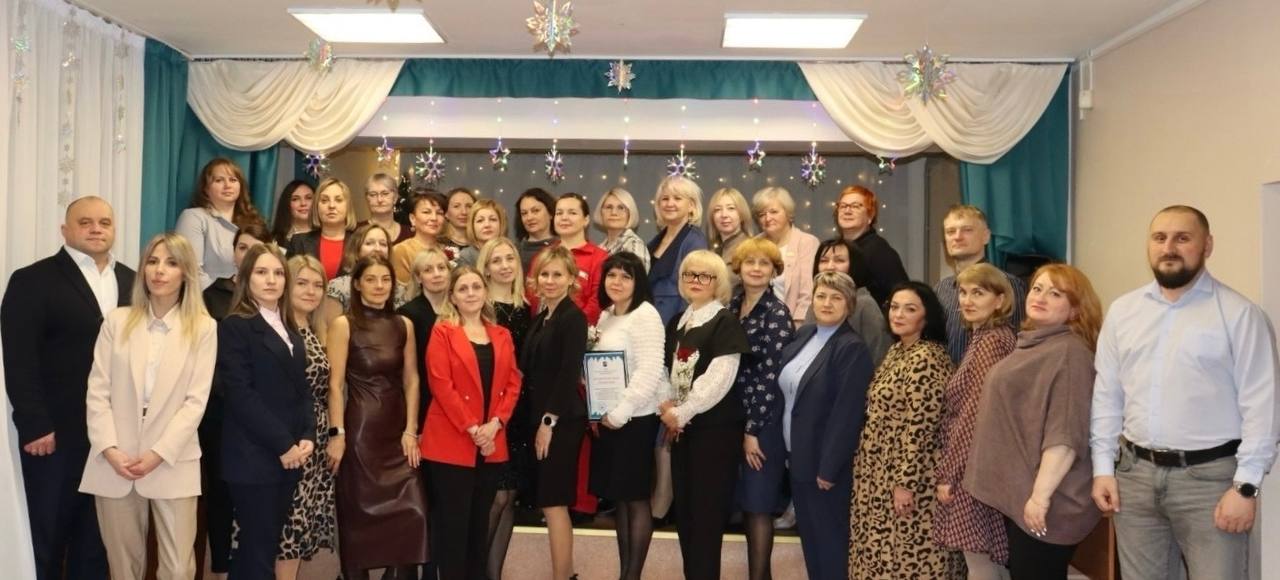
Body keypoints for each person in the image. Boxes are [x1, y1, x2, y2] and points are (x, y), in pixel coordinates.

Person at [1090, 206, 1279, 580]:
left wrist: (1246, 487)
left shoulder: (1240, 315)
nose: (1169, 248)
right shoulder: (1123, 312)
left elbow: (1263, 406)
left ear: (1207, 246)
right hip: (1135, 477)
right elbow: (1107, 395)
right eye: (1159, 238)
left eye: (1182, 238)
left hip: (1210, 483)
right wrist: (1102, 469)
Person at [1, 196, 132, 580]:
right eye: (85, 222)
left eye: (104, 222)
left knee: (96, 544)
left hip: (114, 437)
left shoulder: (133, 281)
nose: (96, 229)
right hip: (55, 435)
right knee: (47, 537)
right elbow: (19, 357)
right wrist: (34, 424)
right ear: (65, 230)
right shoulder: (32, 280)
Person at [80, 233, 215, 580]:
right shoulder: (117, 321)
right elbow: (98, 391)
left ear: (186, 273)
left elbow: (195, 402)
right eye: (152, 262)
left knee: (178, 568)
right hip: (115, 457)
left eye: (171, 263)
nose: (159, 270)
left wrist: (158, 452)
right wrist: (109, 448)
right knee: (122, 567)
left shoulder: (204, 328)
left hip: (173, 457)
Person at [966, 264, 1103, 580]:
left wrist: (1040, 499)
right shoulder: (1033, 344)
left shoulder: (1070, 353)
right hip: (1026, 496)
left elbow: (1065, 436)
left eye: (1055, 294)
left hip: (1050, 501)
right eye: (1038, 288)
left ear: (1075, 309)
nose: (1040, 297)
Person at [325, 254, 429, 579]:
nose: (379, 286)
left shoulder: (404, 325)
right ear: (357, 284)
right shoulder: (344, 325)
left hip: (397, 435)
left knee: (414, 514)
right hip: (360, 434)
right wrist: (337, 433)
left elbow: (412, 380)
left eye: (385, 279)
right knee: (357, 522)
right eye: (371, 279)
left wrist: (411, 430)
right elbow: (334, 384)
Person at [850, 282, 963, 579]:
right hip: (879, 473)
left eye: (909, 309)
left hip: (910, 478)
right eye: (895, 307)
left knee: (907, 559)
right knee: (879, 555)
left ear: (927, 317)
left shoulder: (927, 357)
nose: (898, 314)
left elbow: (920, 428)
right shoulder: (898, 350)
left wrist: (905, 484)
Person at [217, 244, 315, 580]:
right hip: (253, 457)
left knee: (260, 549)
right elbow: (241, 395)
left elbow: (302, 389)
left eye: (277, 273)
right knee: (257, 553)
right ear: (246, 278)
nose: (271, 280)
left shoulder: (288, 326)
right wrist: (283, 444)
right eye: (261, 272)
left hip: (288, 456)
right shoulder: (236, 325)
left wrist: (307, 435)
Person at [421, 266, 522, 580]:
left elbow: (513, 383)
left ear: (485, 291)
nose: (470, 293)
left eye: (476, 287)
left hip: (491, 443)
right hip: (451, 442)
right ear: (452, 296)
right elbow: (441, 384)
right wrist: (474, 428)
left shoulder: (501, 334)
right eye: (463, 288)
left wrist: (495, 424)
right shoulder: (443, 332)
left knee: (480, 526)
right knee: (453, 528)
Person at [657, 250, 750, 580]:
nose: (695, 281)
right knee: (686, 518)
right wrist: (666, 405)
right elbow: (665, 370)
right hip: (683, 432)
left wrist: (682, 412)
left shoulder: (725, 322)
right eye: (689, 274)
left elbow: (720, 378)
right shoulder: (678, 322)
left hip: (715, 434)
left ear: (718, 282)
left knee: (706, 520)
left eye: (704, 276)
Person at [777, 272, 873, 580]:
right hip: (797, 459)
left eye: (836, 297)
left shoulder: (851, 348)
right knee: (812, 546)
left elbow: (847, 415)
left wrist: (829, 469)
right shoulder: (805, 335)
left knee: (830, 549)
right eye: (821, 296)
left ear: (850, 305)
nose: (827, 303)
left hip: (825, 469)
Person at [932, 264, 1019, 579]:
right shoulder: (986, 337)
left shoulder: (992, 341)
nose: (967, 301)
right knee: (990, 562)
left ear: (1000, 300)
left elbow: (974, 415)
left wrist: (950, 474)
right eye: (964, 292)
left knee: (981, 565)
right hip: (981, 466)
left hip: (975, 469)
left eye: (978, 293)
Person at [589, 252, 665, 580]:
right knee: (619, 498)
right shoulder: (606, 315)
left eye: (625, 276)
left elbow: (650, 371)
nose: (617, 282)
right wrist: (596, 409)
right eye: (612, 275)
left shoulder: (645, 315)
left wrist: (620, 412)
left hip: (635, 419)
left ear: (638, 282)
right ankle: (624, 571)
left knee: (635, 498)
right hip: (609, 419)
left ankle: (632, 575)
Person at [198, 220, 268, 576]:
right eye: (242, 247)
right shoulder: (212, 296)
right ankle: (221, 566)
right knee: (221, 491)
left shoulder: (275, 298)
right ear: (234, 253)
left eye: (257, 247)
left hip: (266, 414)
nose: (249, 254)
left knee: (260, 495)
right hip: (221, 410)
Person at [519, 246, 589, 580]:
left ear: (571, 278)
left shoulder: (572, 317)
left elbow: (567, 374)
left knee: (554, 501)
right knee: (549, 501)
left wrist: (548, 422)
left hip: (560, 421)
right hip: (542, 419)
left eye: (558, 274)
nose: (550, 280)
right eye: (544, 274)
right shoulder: (542, 316)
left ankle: (564, 576)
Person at [727, 237, 794, 580]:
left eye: (764, 263)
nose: (756, 268)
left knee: (758, 507)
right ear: (738, 267)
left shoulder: (777, 313)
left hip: (762, 423)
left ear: (774, 270)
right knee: (743, 506)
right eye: (750, 262)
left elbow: (772, 377)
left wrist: (752, 430)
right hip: (731, 419)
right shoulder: (730, 306)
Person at [276, 255, 337, 579]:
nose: (311, 291)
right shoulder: (278, 330)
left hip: (315, 440)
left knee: (298, 530)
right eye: (302, 283)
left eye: (317, 285)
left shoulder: (314, 330)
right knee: (286, 528)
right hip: (288, 441)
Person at [477, 237, 534, 580]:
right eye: (496, 260)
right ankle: (473, 570)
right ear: (485, 268)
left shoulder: (528, 307)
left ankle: (493, 575)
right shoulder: (480, 308)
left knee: (509, 497)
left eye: (509, 258)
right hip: (492, 412)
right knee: (495, 497)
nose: (504, 266)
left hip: (521, 412)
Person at [934, 205, 1028, 365]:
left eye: (967, 230)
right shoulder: (941, 288)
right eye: (950, 231)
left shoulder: (1006, 284)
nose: (957, 237)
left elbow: (1017, 346)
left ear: (986, 236)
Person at [176, 158, 266, 289]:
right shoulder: (194, 217)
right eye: (219, 180)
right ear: (206, 188)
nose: (227, 185)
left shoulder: (254, 222)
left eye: (233, 180)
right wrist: (221, 296)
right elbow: (191, 272)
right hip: (208, 298)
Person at [810, 238, 891, 364]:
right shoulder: (816, 300)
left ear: (854, 265)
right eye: (824, 261)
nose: (830, 267)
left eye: (839, 260)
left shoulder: (864, 304)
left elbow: (879, 356)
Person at [397, 247, 451, 423]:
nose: (437, 274)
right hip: (424, 398)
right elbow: (408, 371)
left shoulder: (461, 309)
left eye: (441, 268)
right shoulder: (408, 313)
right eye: (428, 270)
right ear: (418, 278)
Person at [753, 186, 819, 326]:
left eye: (774, 212)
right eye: (762, 214)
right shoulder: (754, 244)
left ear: (788, 213)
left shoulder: (806, 242)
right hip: (758, 324)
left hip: (792, 324)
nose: (767, 218)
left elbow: (807, 294)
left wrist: (796, 328)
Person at [648, 175, 709, 324]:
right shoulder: (654, 241)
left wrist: (680, 328)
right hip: (651, 320)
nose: (670, 203)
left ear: (691, 205)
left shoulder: (695, 241)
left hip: (675, 321)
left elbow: (695, 292)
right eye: (665, 199)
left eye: (677, 198)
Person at [833, 185, 908, 306]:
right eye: (843, 206)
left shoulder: (879, 250)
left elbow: (902, 295)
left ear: (870, 216)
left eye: (855, 206)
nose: (847, 211)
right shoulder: (835, 249)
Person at [323, 223, 407, 318]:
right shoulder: (338, 287)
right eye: (369, 243)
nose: (377, 249)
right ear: (356, 249)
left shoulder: (398, 289)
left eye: (383, 244)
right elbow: (329, 326)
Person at [287, 177, 357, 280]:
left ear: (348, 206)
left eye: (338, 200)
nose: (331, 206)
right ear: (316, 207)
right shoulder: (298, 242)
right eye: (324, 200)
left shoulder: (359, 242)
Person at [391, 189, 446, 283]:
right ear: (412, 218)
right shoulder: (402, 251)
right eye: (426, 212)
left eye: (439, 213)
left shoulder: (447, 248)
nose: (434, 218)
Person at [594, 187, 651, 271]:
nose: (614, 212)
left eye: (621, 208)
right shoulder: (600, 248)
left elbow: (636, 278)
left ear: (630, 213)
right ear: (601, 212)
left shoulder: (634, 245)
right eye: (609, 207)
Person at [706, 187, 754, 263]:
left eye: (731, 208)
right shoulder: (711, 252)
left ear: (742, 214)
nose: (724, 215)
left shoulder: (751, 249)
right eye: (718, 209)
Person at [513, 187, 558, 269]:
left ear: (550, 213)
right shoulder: (514, 251)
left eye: (536, 211)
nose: (529, 217)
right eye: (524, 213)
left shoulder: (562, 247)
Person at [359, 173, 410, 244]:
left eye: (385, 193)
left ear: (395, 198)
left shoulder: (409, 234)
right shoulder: (356, 231)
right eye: (373, 194)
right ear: (367, 199)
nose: (379, 200)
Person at [456, 199, 508, 268]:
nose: (487, 225)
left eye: (493, 219)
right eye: (480, 221)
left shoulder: (510, 250)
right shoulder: (466, 256)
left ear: (501, 224)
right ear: (472, 226)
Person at [269, 180, 314, 245]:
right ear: (286, 204)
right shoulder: (275, 241)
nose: (303, 203)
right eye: (295, 199)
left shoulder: (326, 234)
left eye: (308, 198)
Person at [442, 187, 477, 257]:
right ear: (446, 213)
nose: (464, 212)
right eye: (456, 206)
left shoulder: (481, 243)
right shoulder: (437, 244)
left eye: (469, 206)